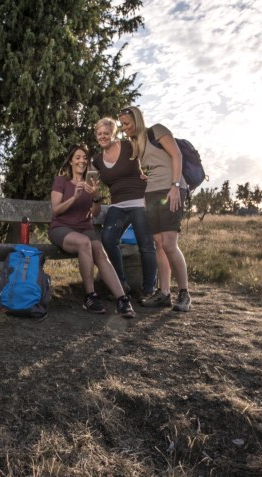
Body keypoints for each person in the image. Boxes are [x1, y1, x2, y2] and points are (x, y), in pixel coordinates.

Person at [48, 144, 136, 318]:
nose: (82, 161)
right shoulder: (61, 181)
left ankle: (122, 299)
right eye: (78, 157)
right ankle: (90, 296)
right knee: (84, 243)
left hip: (84, 227)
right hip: (61, 228)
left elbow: (94, 214)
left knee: (99, 251)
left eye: (85, 158)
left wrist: (96, 197)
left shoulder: (92, 183)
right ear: (71, 161)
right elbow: (56, 210)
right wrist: (74, 197)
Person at [117, 106, 191, 312]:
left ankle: (184, 293)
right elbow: (147, 166)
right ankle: (164, 293)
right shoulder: (136, 144)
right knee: (158, 243)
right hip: (151, 193)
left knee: (169, 243)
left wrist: (175, 186)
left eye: (127, 123)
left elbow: (176, 156)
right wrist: (143, 175)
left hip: (171, 189)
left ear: (138, 119)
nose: (124, 128)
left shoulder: (157, 130)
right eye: (122, 125)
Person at [91, 117, 157, 299]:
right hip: (118, 205)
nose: (103, 136)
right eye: (99, 134)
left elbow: (151, 155)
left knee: (146, 245)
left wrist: (151, 176)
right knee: (108, 238)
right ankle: (121, 284)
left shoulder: (129, 146)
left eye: (106, 133)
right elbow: (84, 176)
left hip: (139, 203)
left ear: (113, 134)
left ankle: (149, 290)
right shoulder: (97, 160)